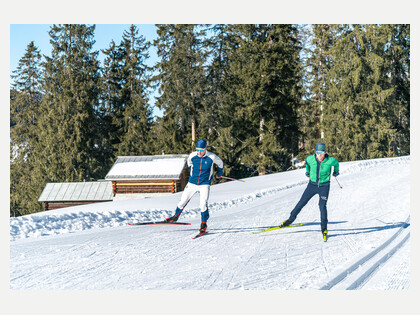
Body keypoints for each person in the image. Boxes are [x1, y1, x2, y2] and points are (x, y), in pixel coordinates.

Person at [279, 142, 339, 240]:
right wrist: (307, 172)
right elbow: (307, 164)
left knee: (322, 206)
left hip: (324, 186)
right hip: (312, 185)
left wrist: (336, 172)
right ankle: (290, 219)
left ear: (325, 152)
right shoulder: (310, 159)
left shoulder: (330, 160)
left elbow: (336, 164)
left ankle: (324, 228)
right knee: (302, 202)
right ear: (315, 152)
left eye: (322, 152)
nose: (320, 155)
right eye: (318, 152)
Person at [164, 139, 224, 234]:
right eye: (197, 150)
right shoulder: (192, 155)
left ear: (205, 149)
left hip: (204, 184)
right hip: (192, 183)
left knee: (203, 204)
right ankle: (175, 217)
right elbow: (189, 163)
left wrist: (219, 174)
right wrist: (192, 171)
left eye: (201, 150)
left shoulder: (211, 157)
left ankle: (203, 224)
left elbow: (220, 163)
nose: (199, 152)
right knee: (183, 201)